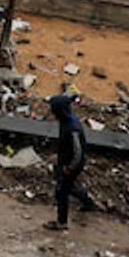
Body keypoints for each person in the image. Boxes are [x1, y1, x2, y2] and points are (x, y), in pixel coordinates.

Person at [46, 92, 99, 230]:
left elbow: (78, 152)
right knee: (69, 185)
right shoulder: (67, 120)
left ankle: (61, 222)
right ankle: (88, 203)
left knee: (62, 192)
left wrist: (69, 167)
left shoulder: (72, 128)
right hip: (68, 161)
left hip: (72, 164)